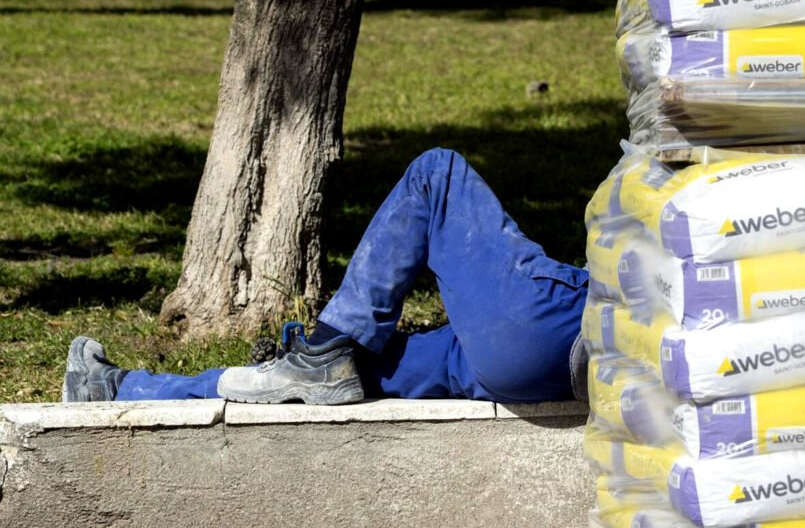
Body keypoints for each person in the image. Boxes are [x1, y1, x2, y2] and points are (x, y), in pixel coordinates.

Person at [62, 148, 590, 406]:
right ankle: (122, 389)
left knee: (437, 172)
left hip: (567, 327)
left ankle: (326, 347)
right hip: (550, 375)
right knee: (324, 376)